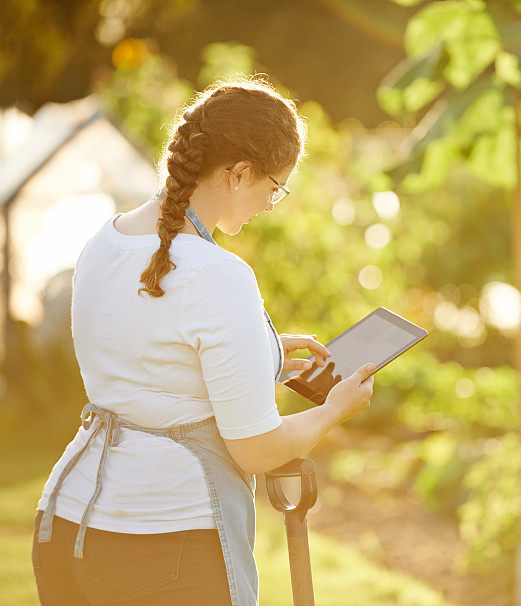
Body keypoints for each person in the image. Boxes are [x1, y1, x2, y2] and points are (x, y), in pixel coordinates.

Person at [30, 75, 375, 605]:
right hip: (162, 546)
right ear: (239, 173)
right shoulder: (219, 275)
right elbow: (256, 449)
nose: (270, 204)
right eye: (274, 187)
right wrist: (333, 410)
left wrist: (268, 353)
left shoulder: (104, 241)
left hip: (68, 523)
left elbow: (148, 356)